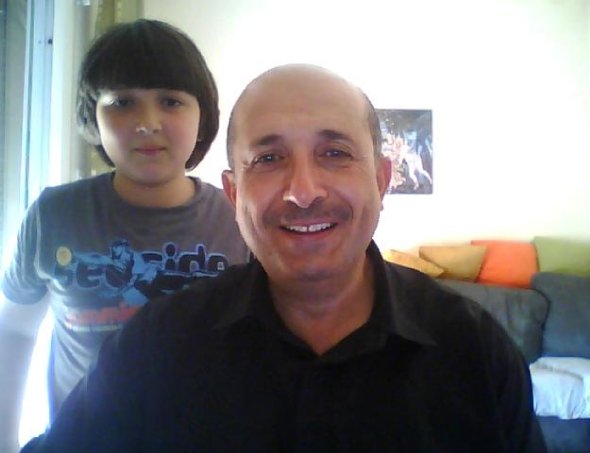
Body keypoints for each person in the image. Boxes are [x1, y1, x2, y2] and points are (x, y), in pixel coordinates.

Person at [22, 64, 546, 452]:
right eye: (269, 158)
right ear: (234, 194)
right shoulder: (154, 348)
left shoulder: (476, 353)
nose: (303, 191)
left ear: (381, 180)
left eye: (335, 153)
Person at [0, 19, 249, 452]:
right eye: (122, 102)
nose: (147, 123)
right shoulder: (53, 215)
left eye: (170, 101)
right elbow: (16, 331)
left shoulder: (238, 217)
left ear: (203, 115)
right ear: (92, 116)